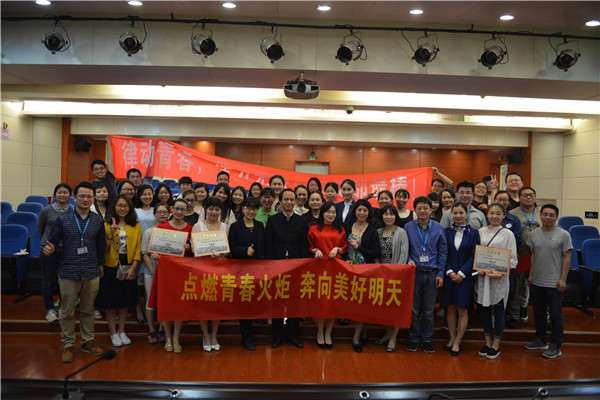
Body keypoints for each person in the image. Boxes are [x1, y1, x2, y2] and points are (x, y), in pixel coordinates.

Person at [43, 181, 106, 363]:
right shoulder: (63, 219)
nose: (85, 199)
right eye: (82, 196)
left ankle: (88, 342)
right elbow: (53, 241)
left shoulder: (97, 221)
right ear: (75, 198)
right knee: (67, 311)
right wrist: (50, 249)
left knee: (88, 310)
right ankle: (68, 345)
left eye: (89, 196)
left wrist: (100, 265)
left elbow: (100, 246)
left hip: (91, 271)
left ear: (93, 199)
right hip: (68, 271)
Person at [525, 204, 573, 359]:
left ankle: (556, 346)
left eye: (551, 215)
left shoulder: (563, 234)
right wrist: (531, 275)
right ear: (540, 216)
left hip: (554, 282)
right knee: (538, 312)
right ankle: (540, 340)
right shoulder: (534, 234)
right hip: (537, 280)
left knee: (556, 315)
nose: (547, 217)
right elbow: (533, 255)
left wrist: (563, 279)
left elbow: (567, 257)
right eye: (545, 214)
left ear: (556, 217)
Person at [95, 195, 141, 348]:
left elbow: (138, 248)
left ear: (130, 208)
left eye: (126, 206)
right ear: (114, 207)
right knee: (110, 302)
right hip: (110, 267)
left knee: (124, 301)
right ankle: (113, 332)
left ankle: (122, 330)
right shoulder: (107, 224)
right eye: (120, 205)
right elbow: (102, 248)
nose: (123, 208)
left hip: (128, 267)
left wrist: (134, 267)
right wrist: (110, 234)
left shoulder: (135, 226)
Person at [265, 188, 309, 349]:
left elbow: (304, 245)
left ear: (295, 202)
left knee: (294, 302)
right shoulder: (273, 220)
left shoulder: (302, 221)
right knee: (277, 301)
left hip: (295, 266)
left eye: (292, 200)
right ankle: (277, 336)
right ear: (281, 201)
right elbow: (269, 244)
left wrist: (302, 265)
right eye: (286, 200)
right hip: (277, 265)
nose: (289, 202)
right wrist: (271, 265)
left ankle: (293, 335)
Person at [404, 196, 447, 354]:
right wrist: (408, 259)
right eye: (419, 208)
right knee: (414, 310)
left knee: (429, 311)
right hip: (414, 274)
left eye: (425, 208)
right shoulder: (408, 227)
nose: (422, 211)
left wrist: (441, 273)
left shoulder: (438, 228)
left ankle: (426, 339)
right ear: (415, 210)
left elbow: (443, 252)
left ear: (431, 210)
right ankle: (414, 338)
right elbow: (405, 248)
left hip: (432, 274)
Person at [476, 203, 518, 360]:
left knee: (499, 311)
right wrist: (478, 267)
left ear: (504, 215)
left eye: (498, 213)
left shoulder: (508, 234)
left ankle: (496, 345)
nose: (494, 216)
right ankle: (487, 342)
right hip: (483, 277)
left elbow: (513, 259)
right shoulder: (480, 231)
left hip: (499, 278)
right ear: (487, 215)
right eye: (492, 213)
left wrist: (500, 272)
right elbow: (475, 253)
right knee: (485, 310)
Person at [308, 201, 348, 350]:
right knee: (321, 301)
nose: (331, 215)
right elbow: (309, 247)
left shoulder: (341, 230)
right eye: (328, 212)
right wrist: (315, 250)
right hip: (319, 269)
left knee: (333, 302)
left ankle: (328, 332)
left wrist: (337, 248)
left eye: (333, 212)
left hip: (335, 270)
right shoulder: (313, 229)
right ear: (322, 213)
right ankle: (320, 331)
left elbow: (345, 248)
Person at [155, 198, 193, 353]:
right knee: (166, 305)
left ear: (186, 211)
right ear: (172, 209)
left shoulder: (190, 228)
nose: (179, 212)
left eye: (182, 209)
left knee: (179, 306)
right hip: (165, 272)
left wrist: (190, 248)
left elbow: (194, 253)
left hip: (182, 273)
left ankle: (176, 337)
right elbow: (155, 249)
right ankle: (168, 337)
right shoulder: (162, 227)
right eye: (177, 208)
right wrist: (154, 254)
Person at [442, 203, 480, 356]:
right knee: (450, 308)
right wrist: (450, 272)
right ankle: (451, 338)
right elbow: (443, 253)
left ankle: (458, 341)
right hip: (449, 275)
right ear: (451, 214)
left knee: (462, 309)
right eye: (455, 213)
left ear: (466, 214)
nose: (458, 216)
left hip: (465, 277)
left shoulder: (474, 233)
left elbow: (474, 255)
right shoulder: (446, 232)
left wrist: (462, 273)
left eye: (461, 213)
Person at [192, 196, 230, 351]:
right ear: (205, 210)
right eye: (211, 209)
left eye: (217, 209)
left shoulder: (225, 227)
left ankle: (214, 335)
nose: (214, 212)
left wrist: (222, 254)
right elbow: (194, 249)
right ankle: (205, 335)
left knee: (217, 305)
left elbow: (227, 250)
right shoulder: (198, 226)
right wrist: (208, 254)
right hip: (202, 270)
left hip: (220, 270)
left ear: (221, 211)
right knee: (203, 305)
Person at [228, 197, 265, 351]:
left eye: (254, 209)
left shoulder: (260, 225)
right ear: (243, 209)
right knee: (245, 302)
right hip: (241, 270)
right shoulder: (235, 227)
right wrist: (244, 250)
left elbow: (263, 246)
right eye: (248, 208)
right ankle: (246, 335)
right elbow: (230, 248)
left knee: (255, 302)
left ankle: (251, 332)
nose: (251, 211)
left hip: (258, 270)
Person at [346, 199, 380, 353]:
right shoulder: (348, 226)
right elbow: (343, 246)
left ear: (368, 213)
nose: (362, 213)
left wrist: (359, 247)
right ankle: (364, 332)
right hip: (349, 271)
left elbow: (375, 253)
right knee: (354, 304)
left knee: (362, 304)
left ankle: (356, 338)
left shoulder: (372, 230)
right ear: (355, 211)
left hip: (366, 271)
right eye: (359, 210)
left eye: (365, 210)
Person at [374, 205, 409, 352]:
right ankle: (387, 334)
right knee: (384, 308)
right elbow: (375, 253)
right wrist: (379, 271)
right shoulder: (377, 232)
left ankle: (393, 338)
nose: (388, 217)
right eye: (386, 214)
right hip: (381, 275)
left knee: (395, 307)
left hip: (396, 276)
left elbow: (404, 255)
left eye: (391, 214)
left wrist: (396, 273)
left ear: (396, 216)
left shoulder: (401, 232)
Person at [38, 183, 73, 323]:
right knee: (48, 280)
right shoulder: (46, 210)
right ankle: (49, 309)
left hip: (65, 250)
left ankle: (63, 307)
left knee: (65, 281)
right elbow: (41, 229)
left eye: (65, 192)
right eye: (59, 192)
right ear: (55, 194)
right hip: (48, 250)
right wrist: (47, 243)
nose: (62, 195)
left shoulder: (72, 211)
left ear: (70, 195)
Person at [508, 186, 541, 326]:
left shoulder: (541, 213)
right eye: (525, 195)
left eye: (531, 195)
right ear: (519, 198)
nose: (528, 198)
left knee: (537, 287)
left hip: (538, 256)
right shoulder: (511, 214)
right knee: (517, 286)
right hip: (520, 255)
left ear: (535, 197)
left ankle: (539, 316)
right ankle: (514, 315)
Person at [140, 202, 170, 344]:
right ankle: (152, 330)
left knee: (164, 301)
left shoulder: (172, 232)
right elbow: (144, 253)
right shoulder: (148, 232)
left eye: (165, 212)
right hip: (150, 270)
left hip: (168, 271)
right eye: (159, 212)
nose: (162, 215)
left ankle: (162, 329)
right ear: (154, 214)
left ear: (169, 214)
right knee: (150, 301)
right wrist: (153, 271)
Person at [134, 184, 155, 324]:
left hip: (153, 250)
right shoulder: (135, 211)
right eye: (144, 194)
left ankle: (149, 308)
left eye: (149, 194)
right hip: (139, 248)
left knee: (149, 283)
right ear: (139, 196)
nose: (147, 197)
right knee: (138, 283)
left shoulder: (156, 209)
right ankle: (138, 309)